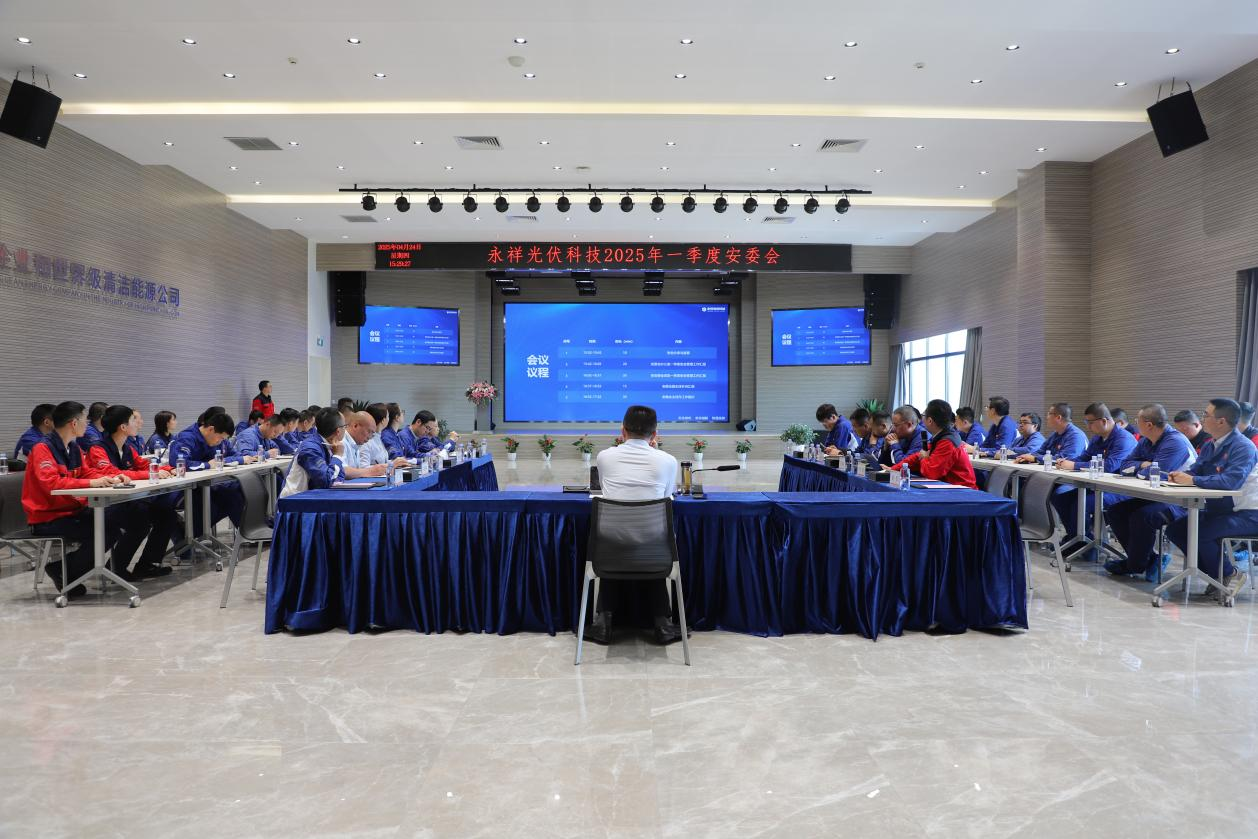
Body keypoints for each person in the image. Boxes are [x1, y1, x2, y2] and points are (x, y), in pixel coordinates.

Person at [590, 404, 684, 646]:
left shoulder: (604, 457)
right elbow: (666, 497)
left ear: (622, 431)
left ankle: (603, 623)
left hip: (609, 547)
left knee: (618, 539)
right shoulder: (668, 461)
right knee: (648, 539)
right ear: (655, 435)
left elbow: (607, 489)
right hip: (655, 549)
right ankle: (663, 624)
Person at [21, 401, 130, 598]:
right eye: (85, 420)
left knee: (113, 527)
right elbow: (51, 483)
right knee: (102, 532)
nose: (87, 424)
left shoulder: (73, 448)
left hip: (72, 509)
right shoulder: (42, 449)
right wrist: (91, 483)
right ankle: (66, 573)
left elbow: (87, 472)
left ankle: (65, 572)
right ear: (73, 423)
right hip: (48, 517)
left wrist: (111, 478)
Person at [1165, 398, 1258, 600]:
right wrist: (1180, 476)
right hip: (1221, 510)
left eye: (1206, 415)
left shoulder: (1244, 447)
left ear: (1221, 421)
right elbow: (1196, 471)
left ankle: (1229, 573)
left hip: (1248, 514)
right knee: (1176, 530)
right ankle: (1216, 575)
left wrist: (1192, 480)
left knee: (1201, 533)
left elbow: (1230, 482)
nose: (1202, 419)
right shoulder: (1210, 445)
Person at [83, 405, 179, 579]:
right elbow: (112, 473)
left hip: (123, 501)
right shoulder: (98, 448)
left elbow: (143, 465)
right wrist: (152, 473)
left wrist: (169, 469)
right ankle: (116, 567)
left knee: (167, 515)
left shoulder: (127, 447)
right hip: (100, 504)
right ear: (123, 427)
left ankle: (147, 565)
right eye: (134, 420)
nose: (139, 423)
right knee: (140, 519)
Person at [1104, 404, 1197, 579]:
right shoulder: (1146, 440)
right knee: (1116, 511)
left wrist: (1142, 468)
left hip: (1183, 501)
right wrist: (1144, 465)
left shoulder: (1175, 442)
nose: (1135, 423)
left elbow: (1157, 474)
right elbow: (1124, 466)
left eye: (1137, 420)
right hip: (1158, 496)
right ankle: (1148, 560)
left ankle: (1135, 565)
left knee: (1143, 517)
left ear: (1148, 424)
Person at [1049, 402, 1138, 556]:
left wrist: (1074, 465)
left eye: (1090, 422)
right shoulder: (1097, 438)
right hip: (1097, 486)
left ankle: (1086, 547)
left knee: (1081, 503)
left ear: (1103, 421)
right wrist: (1066, 463)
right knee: (1059, 498)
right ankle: (1078, 540)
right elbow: (1084, 457)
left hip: (1120, 489)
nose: (1088, 426)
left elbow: (1110, 466)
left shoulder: (1124, 438)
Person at [167, 411, 246, 535]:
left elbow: (228, 457)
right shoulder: (187, 438)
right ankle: (185, 534)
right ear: (211, 429)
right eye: (221, 438)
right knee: (228, 497)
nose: (221, 442)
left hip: (206, 485)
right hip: (182, 488)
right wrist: (207, 465)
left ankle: (189, 534)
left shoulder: (214, 438)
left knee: (238, 490)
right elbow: (179, 463)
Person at [886, 399, 977, 488]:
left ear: (930, 421)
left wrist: (925, 458)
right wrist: (893, 469)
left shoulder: (947, 442)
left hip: (963, 491)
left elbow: (931, 473)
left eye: (924, 415)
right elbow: (916, 457)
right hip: (950, 487)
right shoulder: (941, 436)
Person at [281, 408, 348, 497]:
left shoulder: (328, 444)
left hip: (311, 498)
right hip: (293, 502)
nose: (345, 429)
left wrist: (336, 456)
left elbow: (339, 477)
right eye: (345, 426)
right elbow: (326, 481)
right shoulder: (310, 449)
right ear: (338, 431)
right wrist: (337, 456)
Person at [357, 403, 410, 469]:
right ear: (383, 420)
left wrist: (395, 462)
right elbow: (363, 467)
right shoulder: (366, 441)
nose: (389, 419)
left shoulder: (378, 437)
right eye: (388, 416)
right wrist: (391, 464)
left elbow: (383, 461)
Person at [340, 412, 390, 478]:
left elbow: (357, 471)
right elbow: (342, 470)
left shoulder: (356, 443)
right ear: (355, 426)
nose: (370, 437)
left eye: (372, 433)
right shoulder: (341, 441)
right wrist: (371, 471)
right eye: (369, 431)